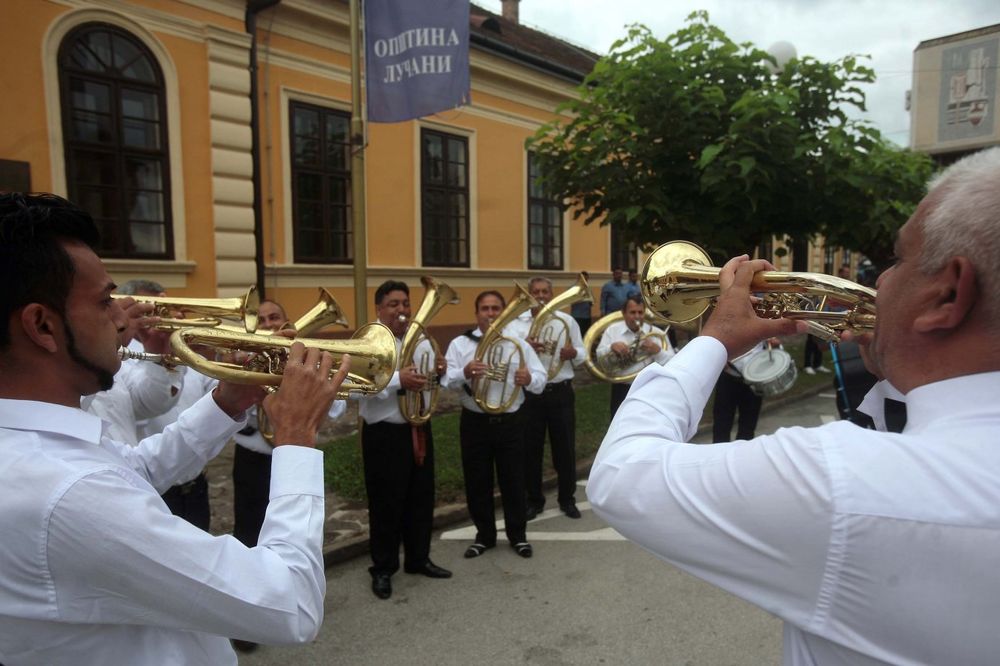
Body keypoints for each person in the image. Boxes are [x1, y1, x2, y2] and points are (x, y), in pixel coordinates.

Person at [588, 147, 1000, 664]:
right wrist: (899, 367)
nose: (879, 283)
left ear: (948, 295)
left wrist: (715, 340)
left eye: (898, 260)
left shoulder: (840, 480)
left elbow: (621, 475)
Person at [0, 193, 350, 664]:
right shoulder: (68, 494)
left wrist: (228, 400)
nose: (124, 318)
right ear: (42, 326)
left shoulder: (39, 452)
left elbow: (137, 468)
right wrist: (296, 436)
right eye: (106, 302)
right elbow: (290, 603)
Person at [359, 280, 451, 601]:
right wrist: (400, 379)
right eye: (394, 304)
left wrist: (439, 371)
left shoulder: (423, 341)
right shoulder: (370, 342)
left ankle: (418, 558)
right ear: (379, 309)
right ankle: (383, 568)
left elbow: (431, 382)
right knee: (386, 502)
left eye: (406, 304)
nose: (402, 310)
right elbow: (358, 386)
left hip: (418, 425)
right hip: (384, 434)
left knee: (420, 497)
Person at [442, 290, 546, 559]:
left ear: (503, 312)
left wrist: (528, 378)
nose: (491, 314)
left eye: (496, 309)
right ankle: (484, 536)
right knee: (478, 481)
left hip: (511, 421)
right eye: (485, 308)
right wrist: (464, 372)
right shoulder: (460, 344)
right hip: (475, 422)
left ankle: (518, 536)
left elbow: (541, 377)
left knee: (514, 480)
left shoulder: (518, 344)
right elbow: (446, 380)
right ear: (477, 313)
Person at [507, 277, 586, 520]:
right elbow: (508, 357)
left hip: (560, 391)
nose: (541, 296)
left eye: (545, 292)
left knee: (564, 448)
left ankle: (567, 499)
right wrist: (525, 346)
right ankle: (534, 500)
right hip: (531, 394)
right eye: (536, 292)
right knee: (531, 449)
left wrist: (573, 353)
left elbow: (582, 354)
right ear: (529, 295)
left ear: (552, 295)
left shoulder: (567, 320)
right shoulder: (515, 325)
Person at [596, 295, 674, 420]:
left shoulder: (657, 333)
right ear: (624, 313)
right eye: (632, 312)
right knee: (619, 426)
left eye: (640, 312)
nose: (637, 316)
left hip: (650, 389)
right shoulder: (612, 330)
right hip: (622, 389)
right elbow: (600, 357)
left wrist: (657, 351)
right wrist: (611, 348)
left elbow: (673, 363)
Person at [711, 338, 781, 442]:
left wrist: (776, 345)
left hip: (755, 378)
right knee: (721, 425)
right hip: (729, 375)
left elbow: (771, 346)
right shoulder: (728, 322)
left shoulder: (764, 322)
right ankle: (718, 456)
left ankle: (742, 457)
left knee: (748, 427)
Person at [569, 270, 593, 336]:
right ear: (579, 278)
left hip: (587, 316)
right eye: (583, 279)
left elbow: (590, 302)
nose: (585, 281)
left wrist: (591, 302)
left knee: (585, 335)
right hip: (577, 316)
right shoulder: (573, 288)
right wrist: (582, 299)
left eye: (586, 279)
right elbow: (570, 301)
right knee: (576, 335)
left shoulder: (588, 288)